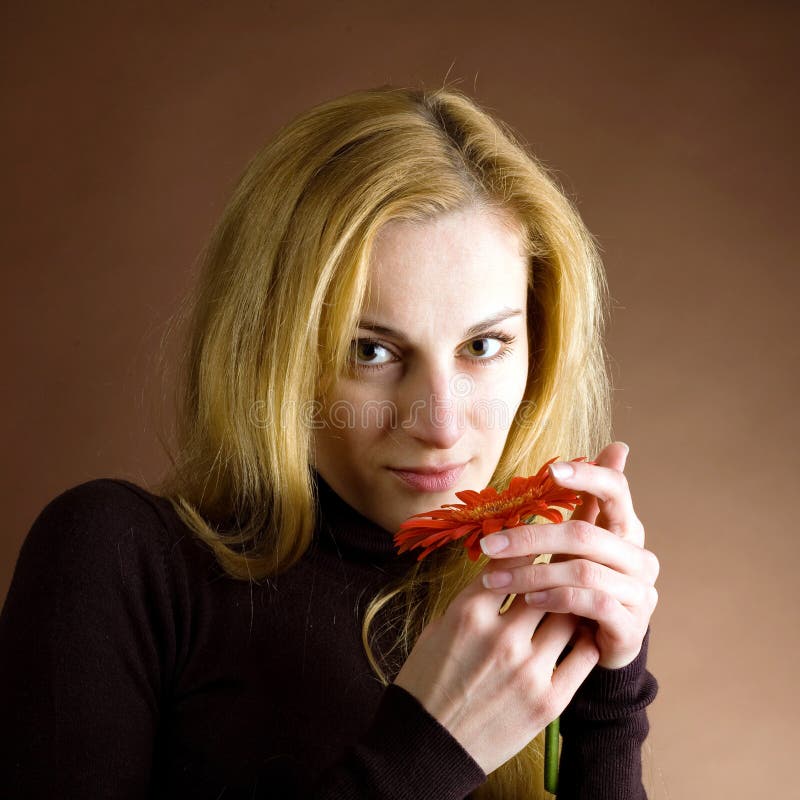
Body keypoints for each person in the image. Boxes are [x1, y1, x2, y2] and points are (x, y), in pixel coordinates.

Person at [0, 84, 659, 799]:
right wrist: (426, 752)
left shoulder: (523, 609)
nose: (439, 424)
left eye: (484, 344)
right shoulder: (118, 559)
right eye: (370, 352)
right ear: (272, 352)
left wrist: (607, 705)